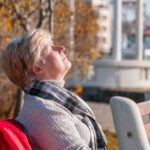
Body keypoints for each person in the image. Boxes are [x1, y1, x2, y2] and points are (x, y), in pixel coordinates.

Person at [1, 29, 107, 150]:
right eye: (51, 48)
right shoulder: (41, 108)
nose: (61, 48)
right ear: (36, 69)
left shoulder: (55, 101)